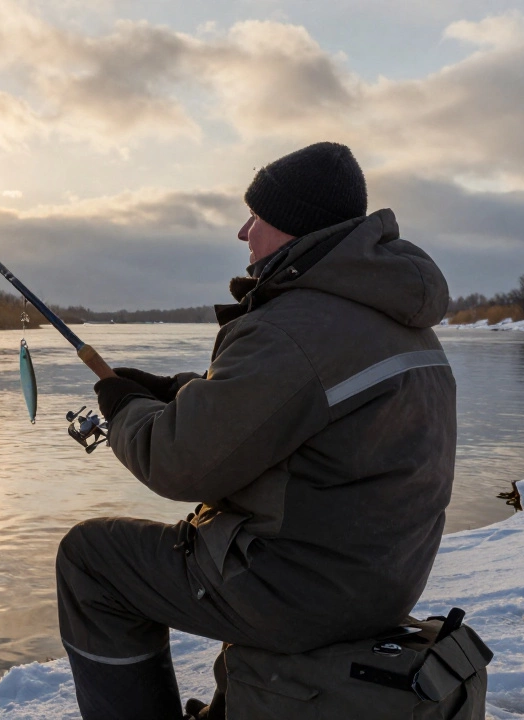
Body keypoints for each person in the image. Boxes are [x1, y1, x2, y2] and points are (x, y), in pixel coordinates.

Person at [55, 142, 456, 719]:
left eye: (258, 217)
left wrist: (123, 410)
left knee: (91, 559)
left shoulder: (293, 326)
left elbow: (176, 461)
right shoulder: (395, 316)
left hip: (305, 591)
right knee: (233, 531)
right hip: (383, 578)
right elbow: (298, 406)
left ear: (294, 228)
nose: (245, 232)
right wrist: (175, 391)